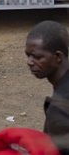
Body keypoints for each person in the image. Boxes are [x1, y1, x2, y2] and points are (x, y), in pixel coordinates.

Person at [26, 21, 69, 152]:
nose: (29, 62)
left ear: (58, 57)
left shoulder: (59, 110)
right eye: (28, 55)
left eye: (38, 57)